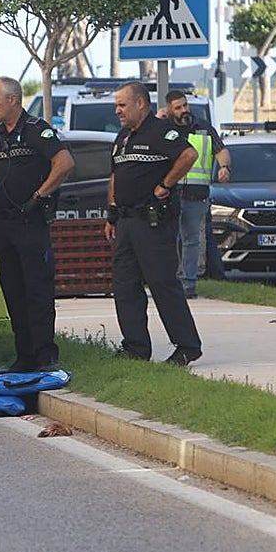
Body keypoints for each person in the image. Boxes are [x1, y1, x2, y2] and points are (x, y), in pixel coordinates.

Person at [104, 82, 203, 365]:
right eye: (117, 105)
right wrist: (111, 214)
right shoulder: (123, 137)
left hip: (153, 222)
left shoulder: (160, 132)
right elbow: (116, 176)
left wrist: (165, 184)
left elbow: (188, 155)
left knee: (162, 283)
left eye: (122, 105)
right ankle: (136, 347)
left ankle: (187, 346)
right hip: (125, 221)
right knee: (125, 286)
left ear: (140, 104)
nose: (118, 110)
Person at [0, 77, 75, 373]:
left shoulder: (37, 130)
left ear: (12, 100)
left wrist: (39, 195)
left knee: (37, 289)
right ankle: (24, 355)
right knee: (12, 289)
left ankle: (45, 355)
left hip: (30, 222)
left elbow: (65, 163)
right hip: (4, 223)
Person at [162, 90, 232, 298]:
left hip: (196, 195)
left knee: (192, 240)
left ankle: (188, 284)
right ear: (169, 110)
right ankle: (169, 281)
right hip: (171, 194)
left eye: (185, 105)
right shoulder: (164, 129)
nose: (184, 110)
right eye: (178, 107)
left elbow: (221, 151)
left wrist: (225, 167)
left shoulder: (203, 128)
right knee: (170, 240)